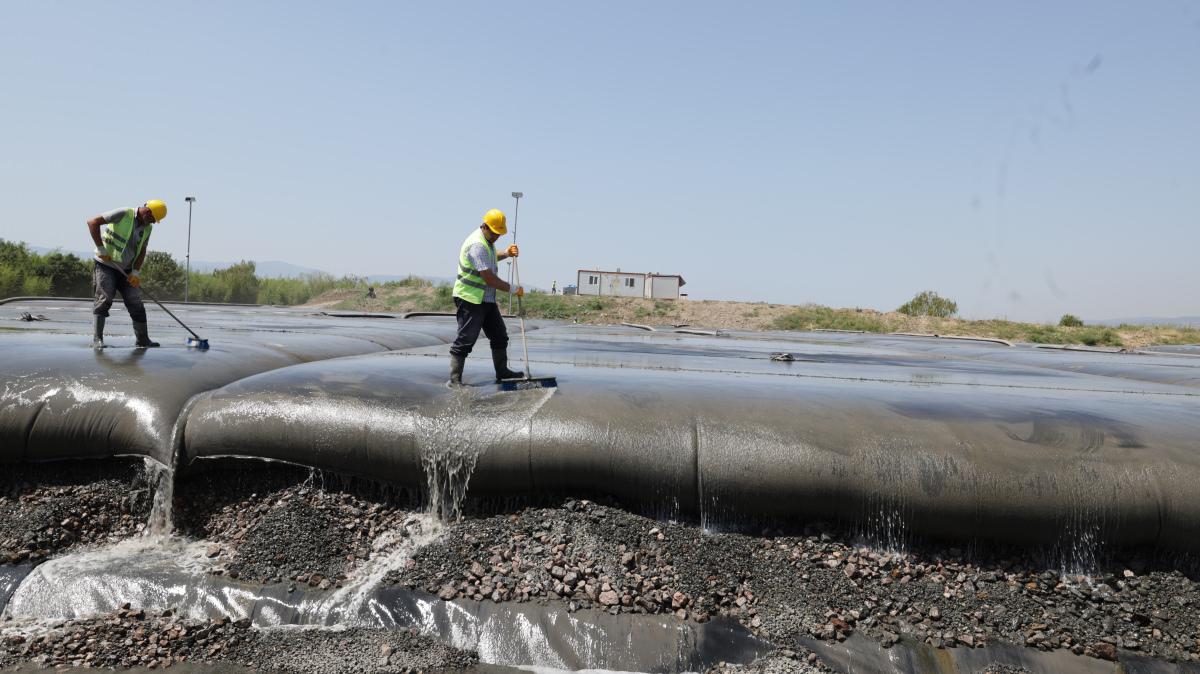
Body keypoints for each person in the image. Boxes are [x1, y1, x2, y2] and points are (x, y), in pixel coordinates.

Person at [448, 208, 525, 387]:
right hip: (470, 298)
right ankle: (455, 379)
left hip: (486, 299)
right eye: (495, 233)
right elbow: (489, 278)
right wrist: (513, 289)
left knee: (499, 336)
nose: (497, 236)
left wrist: (506, 253)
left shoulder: (487, 241)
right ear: (485, 226)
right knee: (465, 340)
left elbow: (489, 258)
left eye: (499, 233)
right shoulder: (477, 244)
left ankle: (502, 372)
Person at [87, 200, 167, 349]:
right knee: (104, 299)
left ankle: (142, 340)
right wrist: (101, 248)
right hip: (106, 265)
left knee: (135, 303)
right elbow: (92, 222)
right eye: (153, 219)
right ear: (147, 212)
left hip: (127, 270)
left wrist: (135, 272)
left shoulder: (147, 228)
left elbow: (142, 250)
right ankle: (97, 339)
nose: (153, 223)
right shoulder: (124, 213)